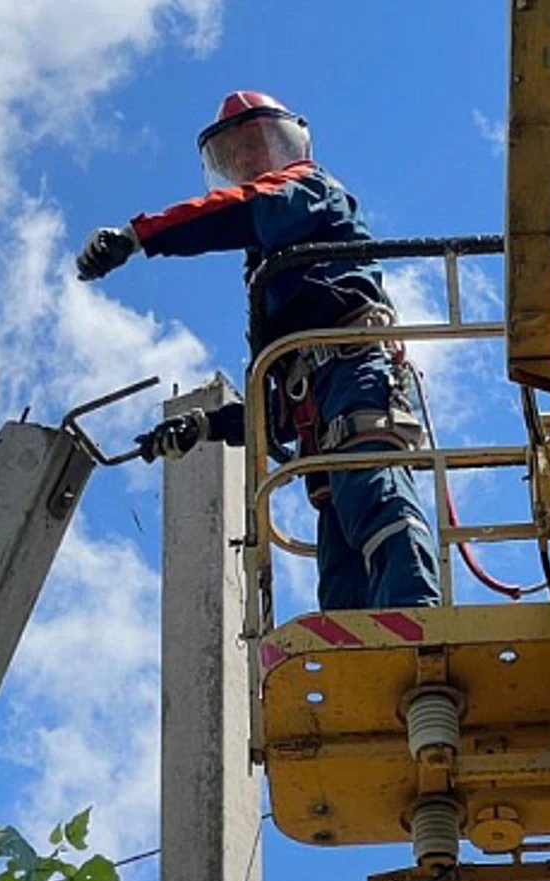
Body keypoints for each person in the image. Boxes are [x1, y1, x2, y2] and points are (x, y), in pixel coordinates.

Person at [74, 91, 439, 612]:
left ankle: (418, 623)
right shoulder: (274, 274)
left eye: (255, 145)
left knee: (374, 496)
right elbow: (282, 418)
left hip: (355, 367)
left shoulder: (308, 192)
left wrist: (138, 236)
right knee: (340, 561)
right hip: (320, 403)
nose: (247, 162)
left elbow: (242, 209)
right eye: (234, 156)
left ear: (286, 140)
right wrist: (205, 426)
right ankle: (354, 669)